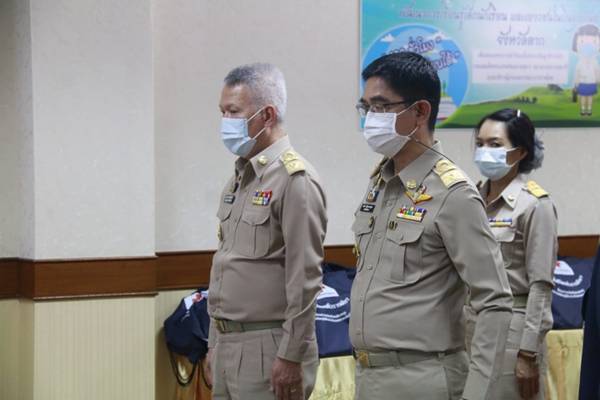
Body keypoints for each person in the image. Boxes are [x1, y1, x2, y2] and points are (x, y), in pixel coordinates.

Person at [350, 51, 513, 400]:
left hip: (424, 378)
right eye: (366, 107)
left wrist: (477, 394)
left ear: (420, 111)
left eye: (381, 106)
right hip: (368, 376)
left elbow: (495, 301)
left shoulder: (453, 193)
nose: (371, 119)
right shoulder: (380, 183)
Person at [204, 63, 327, 400]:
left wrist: (291, 355)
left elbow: (305, 278)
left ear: (267, 115)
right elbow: (226, 266)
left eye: (233, 112)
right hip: (228, 341)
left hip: (270, 345)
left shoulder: (295, 180)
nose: (225, 121)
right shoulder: (240, 179)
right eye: (222, 112)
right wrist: (214, 342)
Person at [465, 108, 557, 400]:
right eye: (479, 144)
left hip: (512, 331)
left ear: (520, 152)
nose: (484, 151)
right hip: (468, 326)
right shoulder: (469, 200)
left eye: (495, 144)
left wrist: (528, 352)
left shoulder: (535, 205)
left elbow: (541, 286)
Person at [572, 24, 600, 116]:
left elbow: (597, 72)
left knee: (590, 97)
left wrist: (598, 80)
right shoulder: (580, 63)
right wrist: (576, 83)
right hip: (582, 82)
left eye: (594, 41)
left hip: (591, 82)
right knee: (583, 96)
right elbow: (577, 73)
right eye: (582, 41)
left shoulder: (595, 62)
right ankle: (583, 110)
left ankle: (589, 110)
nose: (588, 45)